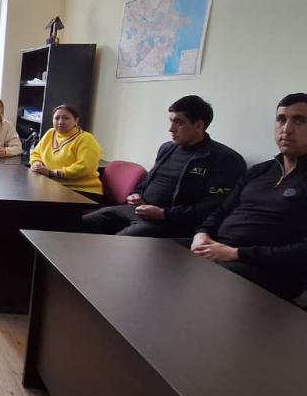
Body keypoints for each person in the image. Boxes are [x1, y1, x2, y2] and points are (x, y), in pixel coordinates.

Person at [188, 93, 307, 303]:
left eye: (299, 121)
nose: (286, 129)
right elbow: (222, 210)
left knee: (194, 283)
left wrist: (237, 254)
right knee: (160, 255)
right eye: (281, 119)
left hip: (270, 269)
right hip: (220, 249)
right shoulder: (260, 171)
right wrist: (202, 233)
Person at [82, 95, 245, 237]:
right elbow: (148, 181)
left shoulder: (225, 159)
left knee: (115, 244)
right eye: (171, 121)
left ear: (199, 125)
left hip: (173, 223)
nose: (171, 129)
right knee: (78, 223)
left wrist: (163, 213)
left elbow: (214, 207)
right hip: (139, 210)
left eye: (179, 123)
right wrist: (136, 194)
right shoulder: (167, 148)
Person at [29, 104, 103, 200]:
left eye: (66, 118)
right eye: (57, 118)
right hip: (54, 186)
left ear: (76, 121)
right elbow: (36, 153)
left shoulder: (85, 139)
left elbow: (84, 168)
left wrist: (52, 173)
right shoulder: (51, 133)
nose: (60, 122)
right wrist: (36, 163)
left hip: (82, 191)